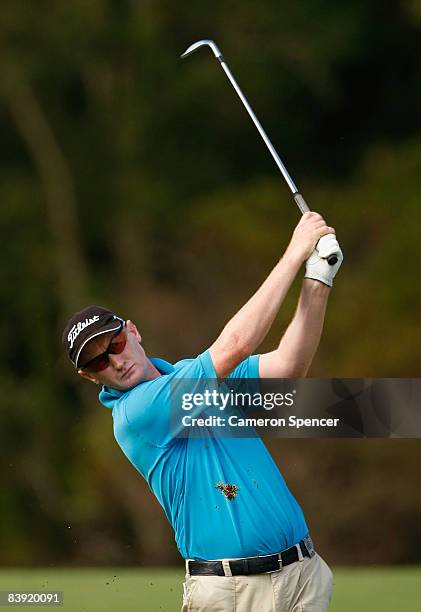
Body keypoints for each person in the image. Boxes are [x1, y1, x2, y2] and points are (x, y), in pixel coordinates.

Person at [62, 211, 343, 612]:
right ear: (91, 379)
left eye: (116, 344)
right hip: (232, 593)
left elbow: (288, 367)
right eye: (98, 363)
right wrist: (294, 253)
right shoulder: (136, 414)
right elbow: (236, 346)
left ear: (133, 331)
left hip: (303, 576)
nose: (116, 362)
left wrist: (318, 278)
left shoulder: (194, 377)